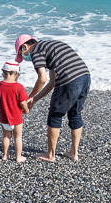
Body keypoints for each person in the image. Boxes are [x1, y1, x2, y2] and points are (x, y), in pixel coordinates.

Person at [15, 34, 91, 162]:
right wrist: (35, 99)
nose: (24, 56)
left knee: (55, 115)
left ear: (25, 46)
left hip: (69, 80)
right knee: (75, 113)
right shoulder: (52, 46)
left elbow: (42, 79)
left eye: (21, 53)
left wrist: (30, 96)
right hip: (85, 77)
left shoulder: (36, 51)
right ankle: (74, 152)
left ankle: (50, 155)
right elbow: (52, 82)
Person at [0, 61, 30, 162]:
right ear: (17, 75)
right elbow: (23, 103)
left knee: (6, 136)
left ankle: (5, 155)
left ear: (3, 74)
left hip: (4, 116)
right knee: (18, 137)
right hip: (16, 117)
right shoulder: (19, 87)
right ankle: (18, 157)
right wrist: (26, 110)